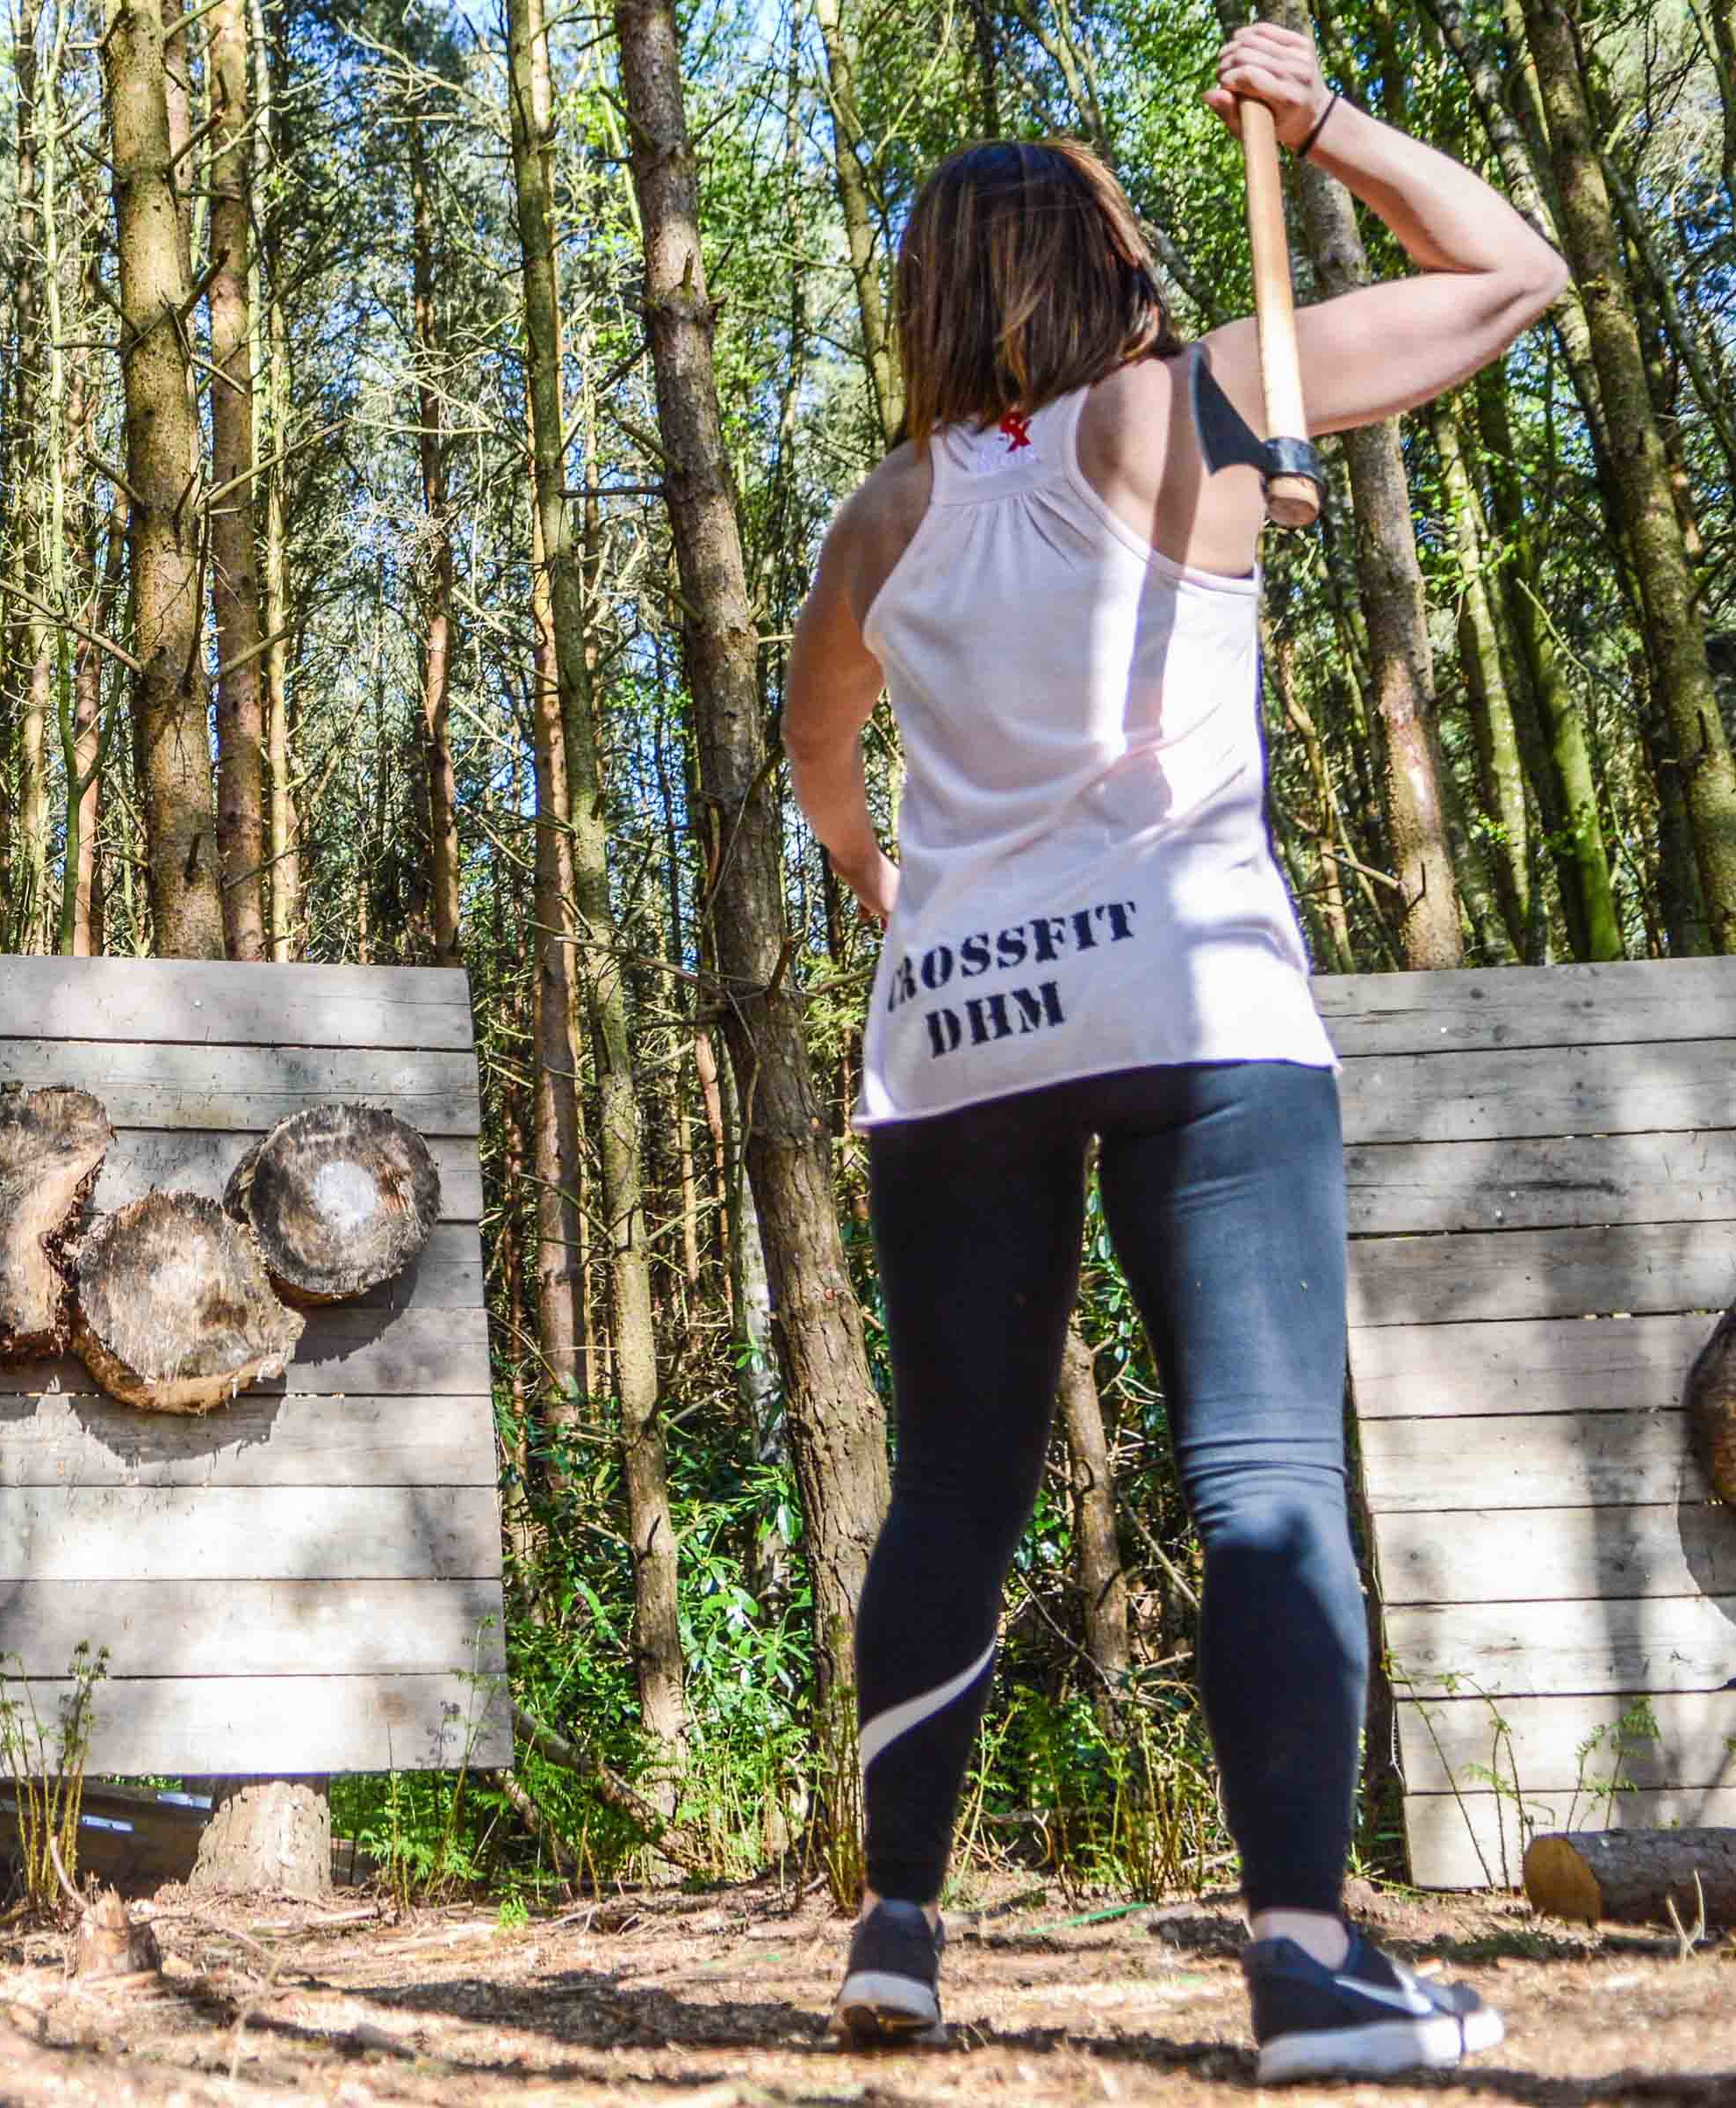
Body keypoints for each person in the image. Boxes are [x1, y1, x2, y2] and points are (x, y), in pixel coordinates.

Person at [779, 21, 1564, 2086]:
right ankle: (1304, 1965)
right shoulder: (1195, 405)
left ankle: (896, 1927)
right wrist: (1325, 125)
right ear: (1106, 263)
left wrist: (882, 878)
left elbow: (815, 745)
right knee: (1264, 1469)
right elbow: (1511, 274)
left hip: (960, 1026)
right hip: (1193, 1004)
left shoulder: (881, 515)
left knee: (954, 1479)